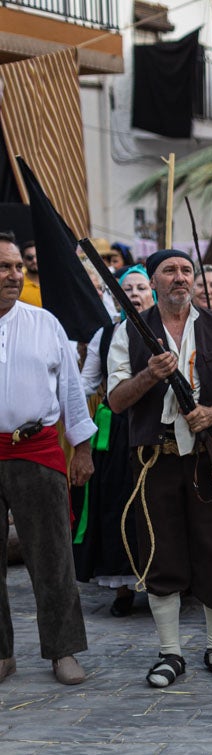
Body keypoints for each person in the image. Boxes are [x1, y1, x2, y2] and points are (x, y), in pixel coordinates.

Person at [107, 249, 212, 688]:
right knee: (161, 551)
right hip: (157, 460)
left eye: (185, 270)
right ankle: (170, 653)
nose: (179, 277)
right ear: (152, 281)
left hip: (208, 458)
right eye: (169, 271)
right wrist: (150, 375)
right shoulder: (129, 332)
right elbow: (117, 400)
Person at [0, 233, 93, 685]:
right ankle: (1, 654)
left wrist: (82, 448)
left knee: (53, 557)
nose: (14, 275)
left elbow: (72, 392)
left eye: (18, 267)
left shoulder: (44, 323)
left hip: (36, 450)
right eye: (4, 267)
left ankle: (63, 651)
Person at [76, 266, 155, 617]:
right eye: (128, 288)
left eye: (141, 287)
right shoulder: (104, 336)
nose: (134, 294)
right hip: (116, 432)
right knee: (117, 506)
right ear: (116, 294)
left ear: (152, 292)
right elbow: (85, 385)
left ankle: (162, 582)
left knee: (156, 505)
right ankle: (122, 586)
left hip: (155, 425)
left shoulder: (165, 331)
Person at [18, 241, 40, 307]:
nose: (34, 261)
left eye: (38, 256)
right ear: (23, 260)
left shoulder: (54, 282)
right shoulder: (17, 284)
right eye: (30, 257)